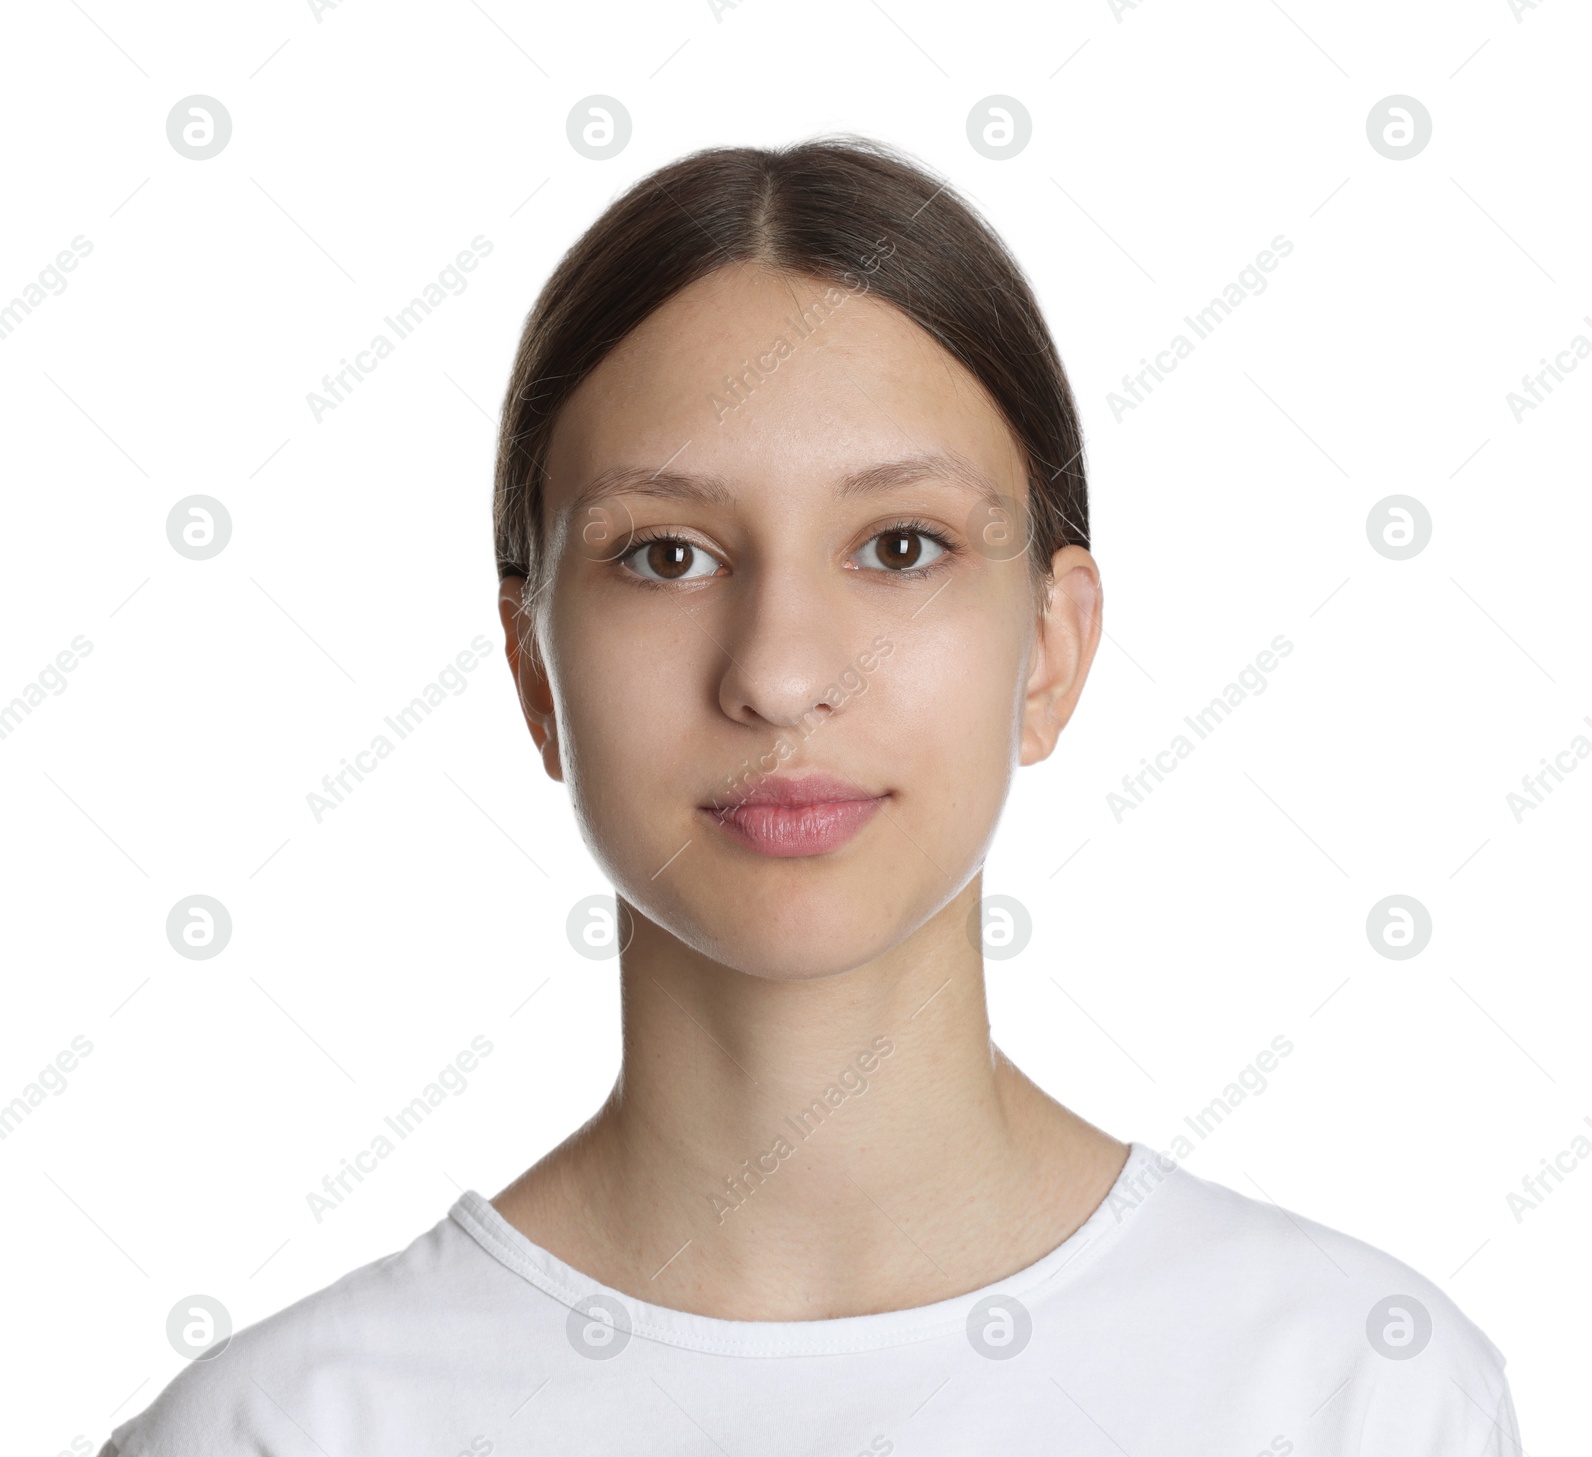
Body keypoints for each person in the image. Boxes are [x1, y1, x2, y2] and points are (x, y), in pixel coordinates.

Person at [101, 135, 1519, 1456]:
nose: (778, 675)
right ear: (536, 671)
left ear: (1052, 646)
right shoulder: (284, 1431)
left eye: (900, 545)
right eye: (665, 556)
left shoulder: (1356, 1392)